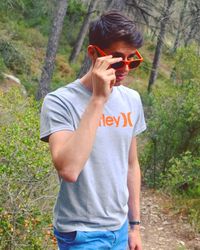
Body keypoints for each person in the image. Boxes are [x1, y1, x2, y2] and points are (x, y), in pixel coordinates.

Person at [40, 11, 146, 250]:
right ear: (93, 53)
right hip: (80, 233)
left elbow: (131, 164)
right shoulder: (59, 101)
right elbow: (68, 169)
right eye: (117, 60)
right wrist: (98, 99)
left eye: (133, 60)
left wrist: (134, 226)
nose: (125, 68)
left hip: (119, 229)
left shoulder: (131, 99)